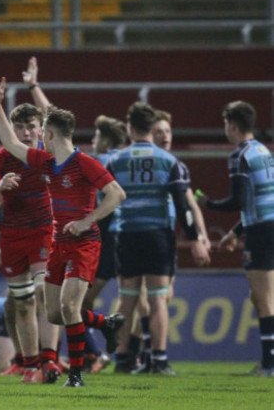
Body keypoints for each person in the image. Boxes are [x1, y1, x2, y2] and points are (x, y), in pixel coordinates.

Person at [0, 77, 126, 387]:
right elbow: (10, 143)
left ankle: (75, 376)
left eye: (42, 133)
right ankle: (106, 324)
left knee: (69, 307)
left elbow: (117, 194)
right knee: (54, 314)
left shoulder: (86, 164)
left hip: (84, 244)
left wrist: (87, 220)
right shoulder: (47, 163)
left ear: (48, 134)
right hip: (57, 245)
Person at [107, 102, 210, 376]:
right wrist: (195, 237)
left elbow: (105, 201)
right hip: (157, 236)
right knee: (157, 300)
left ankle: (122, 359)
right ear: (152, 128)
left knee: (126, 300)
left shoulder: (116, 161)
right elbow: (182, 202)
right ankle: (159, 360)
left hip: (127, 235)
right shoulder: (168, 161)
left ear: (129, 127)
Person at [0, 102, 61, 384]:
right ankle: (31, 365)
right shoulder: (2, 158)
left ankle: (49, 360)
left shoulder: (49, 154)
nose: (26, 132)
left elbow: (59, 118)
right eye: (20, 127)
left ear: (40, 129)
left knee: (44, 296)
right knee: (22, 304)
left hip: (44, 232)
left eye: (31, 126)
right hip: (12, 237)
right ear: (12, 130)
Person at [196, 100, 274, 377]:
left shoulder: (240, 155)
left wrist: (208, 204)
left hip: (262, 232)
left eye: (225, 124)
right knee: (263, 297)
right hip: (266, 226)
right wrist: (235, 232)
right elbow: (261, 200)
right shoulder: (264, 151)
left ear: (233, 126)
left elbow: (237, 200)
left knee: (262, 299)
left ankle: (269, 365)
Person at [81, 114, 128, 373]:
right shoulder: (126, 161)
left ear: (107, 139)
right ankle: (140, 356)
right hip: (127, 236)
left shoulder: (103, 160)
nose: (92, 140)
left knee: (74, 305)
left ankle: (97, 353)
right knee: (141, 299)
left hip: (106, 239)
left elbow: (64, 137)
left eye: (96, 136)